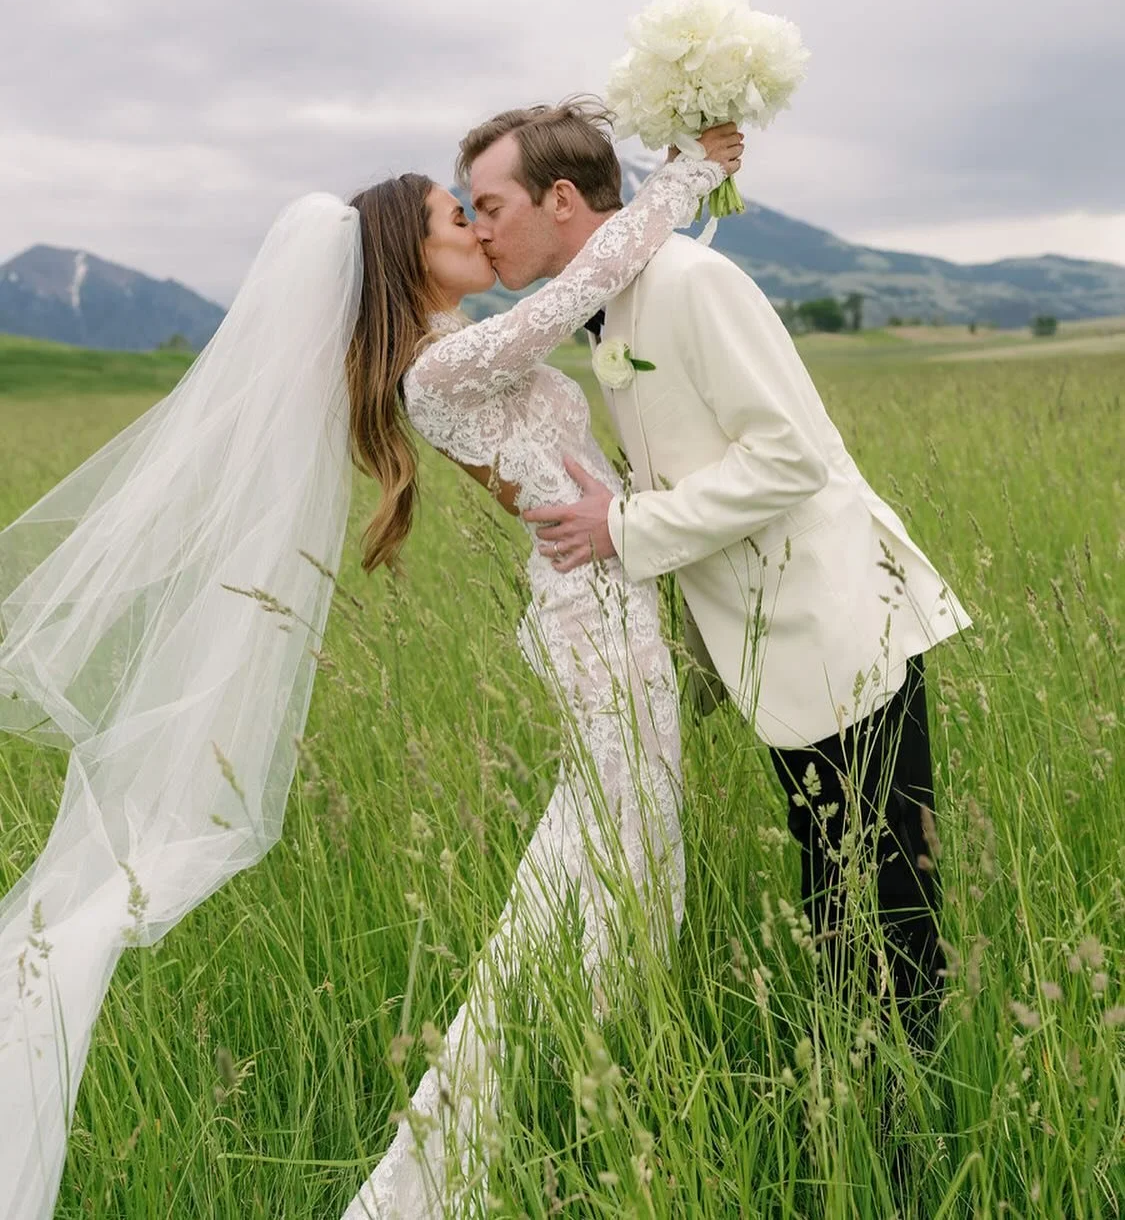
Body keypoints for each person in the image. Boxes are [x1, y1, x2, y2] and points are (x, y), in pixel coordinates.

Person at [0, 114, 741, 1220]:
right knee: (618, 851)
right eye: (456, 217)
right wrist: (685, 177)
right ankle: (445, 1162)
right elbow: (575, 288)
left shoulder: (455, 347)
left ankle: (575, 1073)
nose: (477, 229)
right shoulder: (436, 370)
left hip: (608, 595)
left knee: (617, 851)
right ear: (408, 254)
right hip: (594, 616)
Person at [461, 101, 972, 1053]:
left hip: (834, 626)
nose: (479, 230)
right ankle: (861, 1096)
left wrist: (621, 528)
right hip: (768, 640)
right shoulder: (611, 309)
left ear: (560, 199)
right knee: (834, 890)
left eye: (489, 206)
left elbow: (789, 458)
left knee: (883, 899)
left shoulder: (691, 282)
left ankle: (904, 1119)